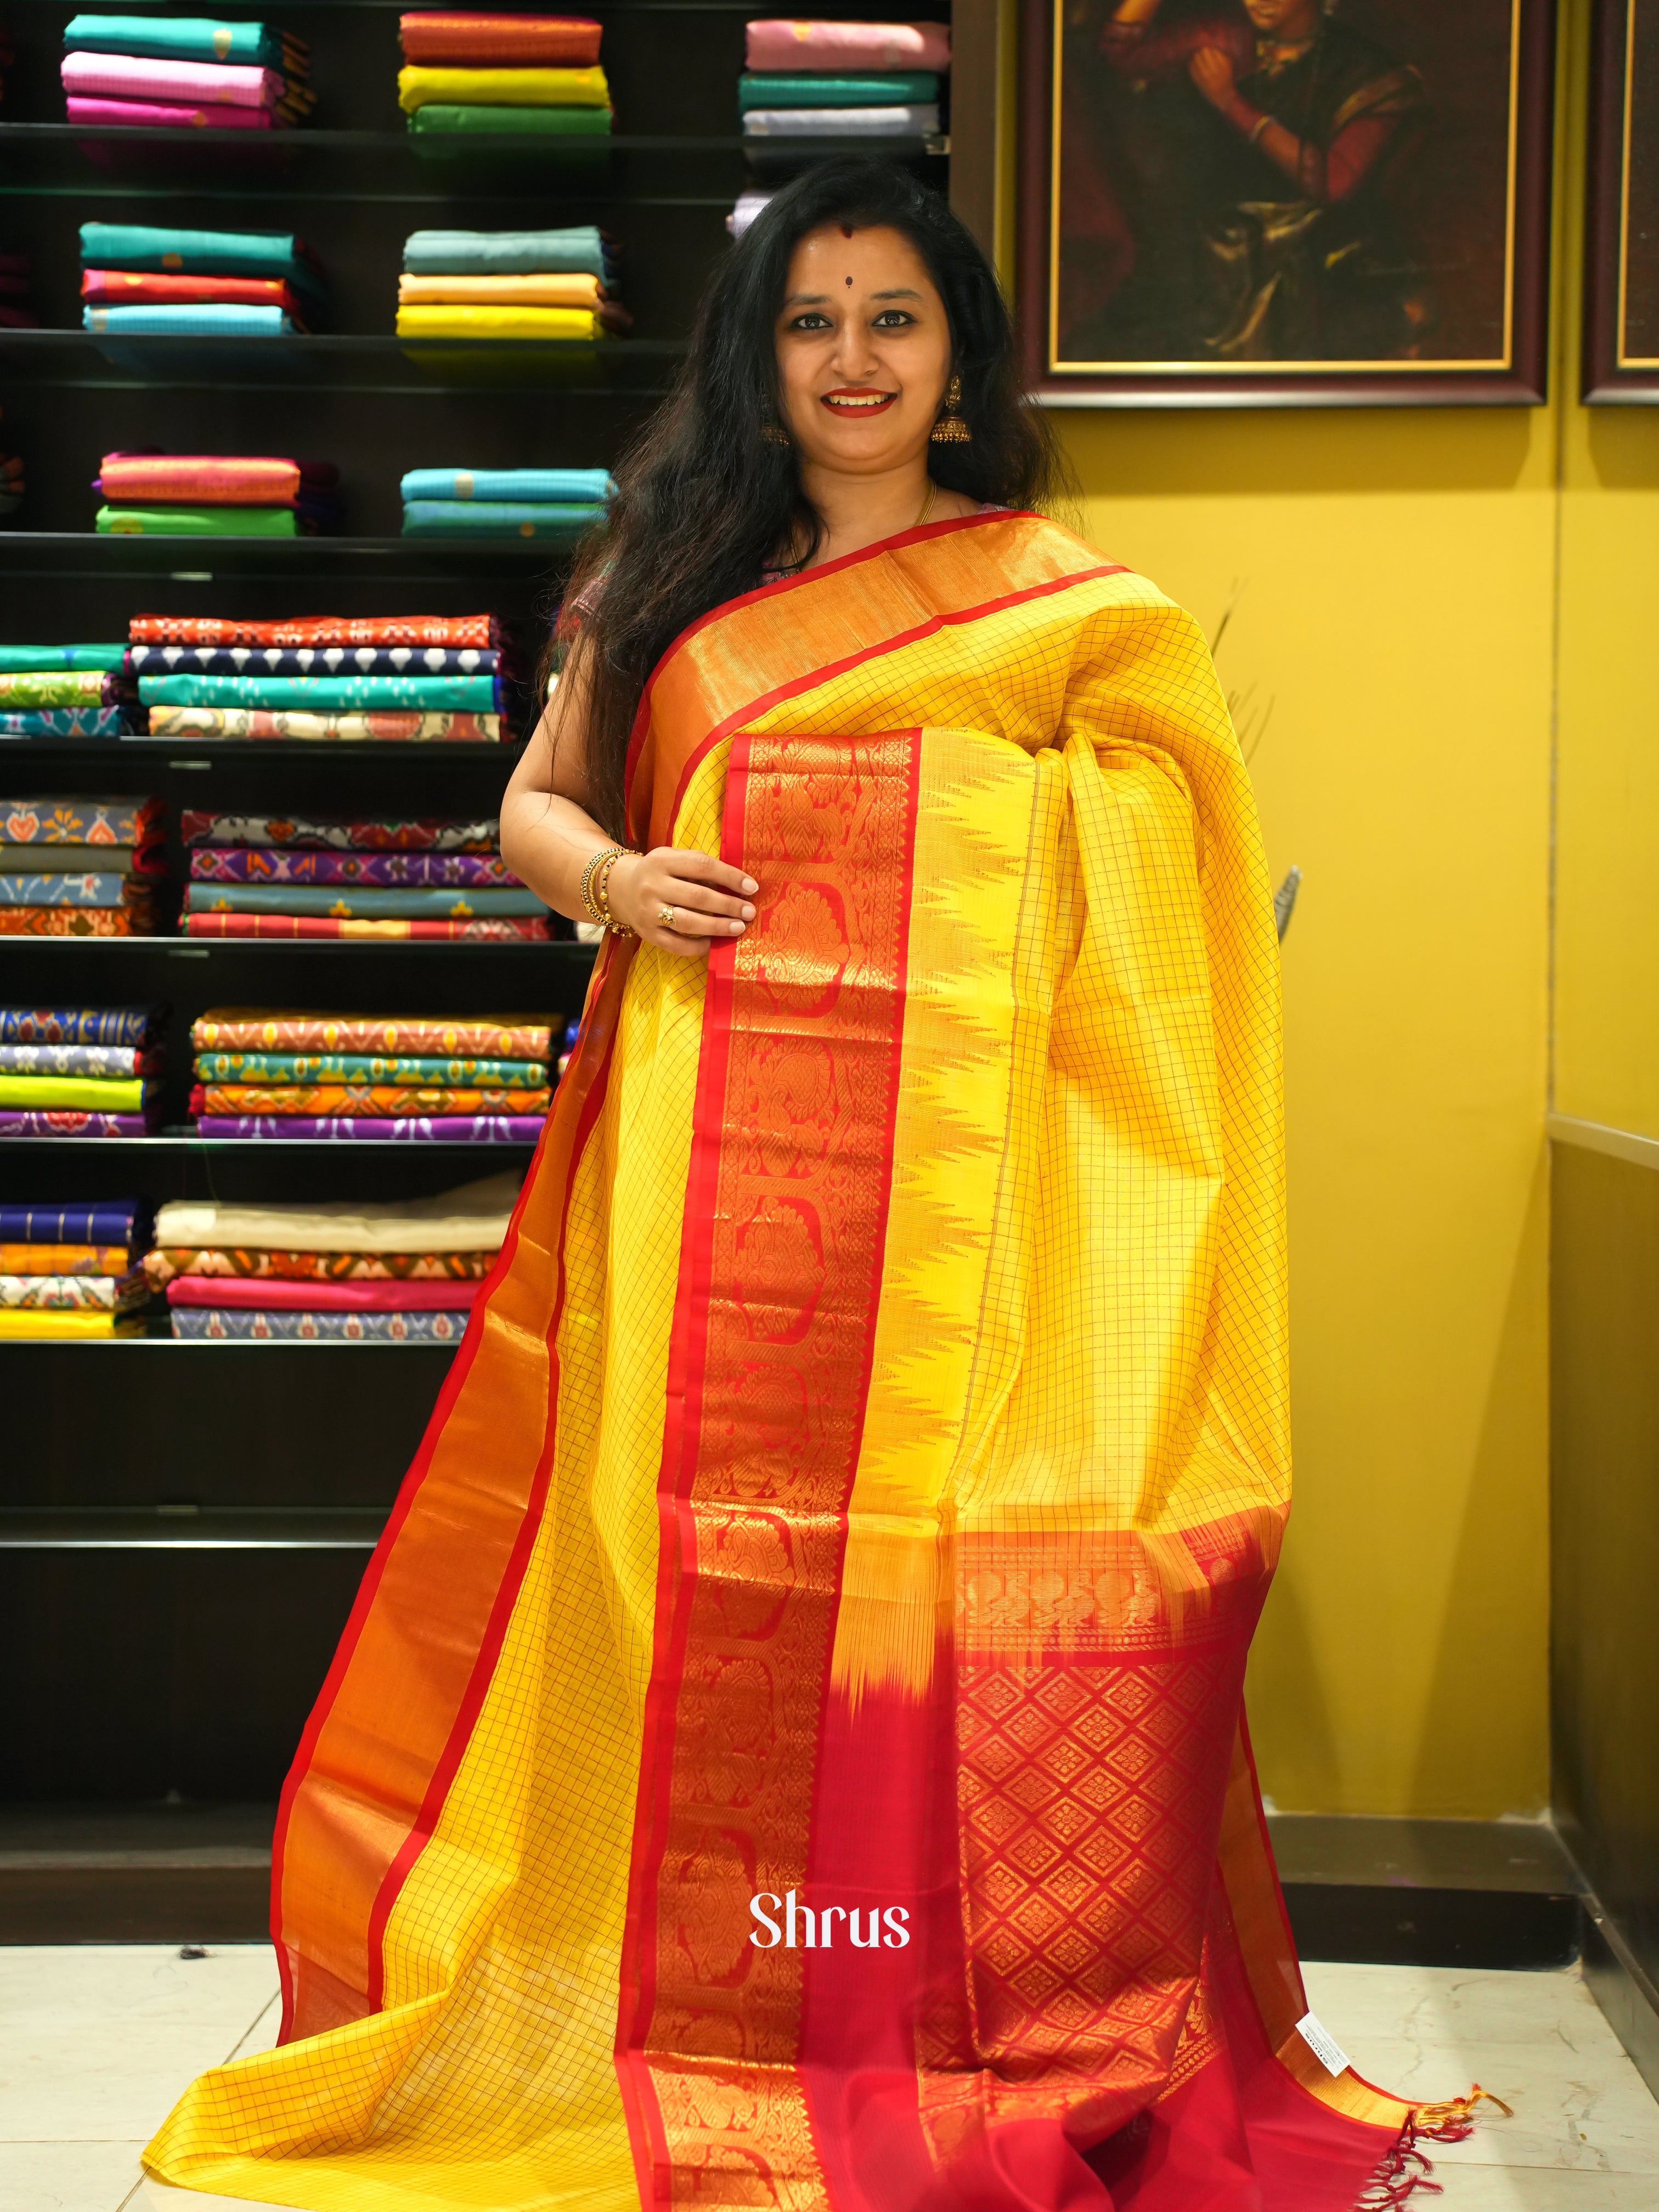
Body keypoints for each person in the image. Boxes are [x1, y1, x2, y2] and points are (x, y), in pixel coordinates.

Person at [143, 156, 1478, 2210]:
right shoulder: (672, 574)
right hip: (708, 1174)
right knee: (694, 1569)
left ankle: (922, 1993)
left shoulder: (1055, 595)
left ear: (957, 357)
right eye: (810, 320)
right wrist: (617, 876)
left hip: (974, 1193)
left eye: (892, 318)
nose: (852, 358)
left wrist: (973, 831)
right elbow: (532, 806)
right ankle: (714, 1995)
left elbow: (1166, 839)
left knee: (944, 1579)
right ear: (755, 357)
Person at [1066, 0, 1428, 362]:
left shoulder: (1366, 69)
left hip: (1314, 258)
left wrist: (1230, 103)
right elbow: (1118, 50)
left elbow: (1334, 181)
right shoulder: (1226, 38)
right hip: (1215, 254)